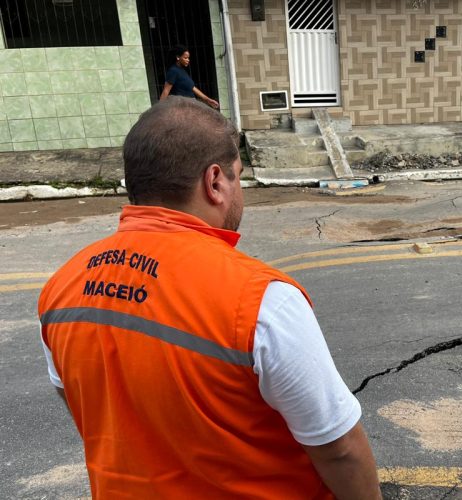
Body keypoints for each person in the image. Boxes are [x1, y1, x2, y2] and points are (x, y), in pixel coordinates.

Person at [38, 98, 381, 499]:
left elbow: (84, 402)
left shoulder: (61, 287)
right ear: (215, 182)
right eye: (238, 177)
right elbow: (339, 450)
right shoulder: (261, 302)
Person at [159, 44, 220, 109]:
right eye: (185, 58)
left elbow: (193, 88)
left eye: (188, 58)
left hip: (190, 106)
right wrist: (159, 109)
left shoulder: (182, 71)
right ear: (178, 57)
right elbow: (166, 91)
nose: (188, 60)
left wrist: (208, 100)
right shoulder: (173, 71)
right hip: (182, 107)